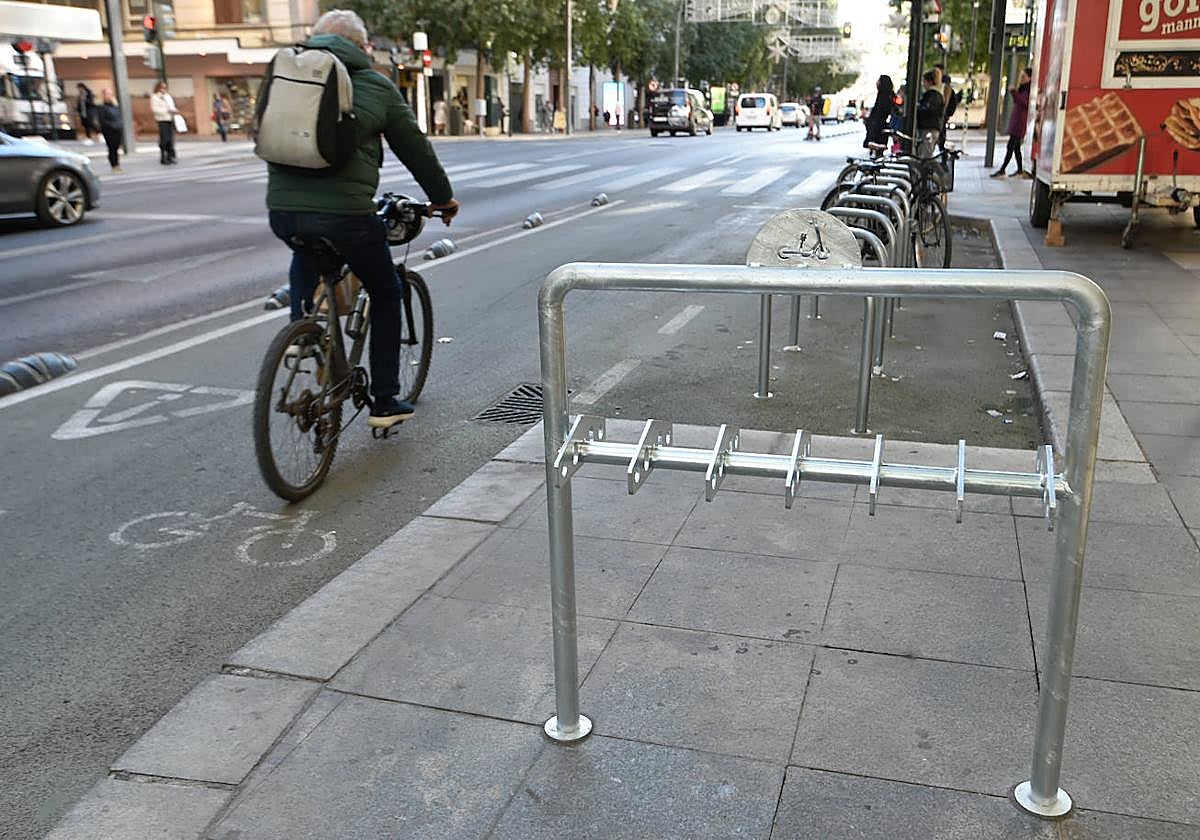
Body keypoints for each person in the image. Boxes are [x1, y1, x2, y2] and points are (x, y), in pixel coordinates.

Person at [266, 9, 459, 428]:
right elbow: (415, 149)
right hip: (347, 216)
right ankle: (385, 401)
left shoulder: (285, 75)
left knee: (305, 250)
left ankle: (301, 332)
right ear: (359, 46)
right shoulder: (373, 84)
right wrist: (442, 198)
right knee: (387, 292)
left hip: (282, 211)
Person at [992, 67, 1033, 178]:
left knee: (1011, 146)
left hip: (1020, 123)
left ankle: (1002, 170)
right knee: (1016, 148)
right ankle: (1019, 170)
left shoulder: (1028, 91)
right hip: (1017, 121)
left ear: (1029, 78)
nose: (1021, 79)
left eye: (1023, 76)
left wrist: (1014, 92)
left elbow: (1023, 102)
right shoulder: (1023, 89)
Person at [915, 70, 944, 158]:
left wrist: (917, 108)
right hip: (931, 127)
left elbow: (928, 110)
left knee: (925, 155)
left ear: (930, 82)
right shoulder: (936, 94)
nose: (923, 84)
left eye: (924, 81)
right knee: (925, 152)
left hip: (928, 128)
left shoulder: (932, 95)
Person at [863, 74, 895, 152]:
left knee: (876, 146)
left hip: (878, 126)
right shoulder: (890, 95)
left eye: (879, 81)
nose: (877, 83)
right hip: (883, 125)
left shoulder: (883, 96)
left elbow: (878, 112)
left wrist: (870, 121)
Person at [150, 82, 178, 165]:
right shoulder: (155, 97)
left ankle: (170, 156)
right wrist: (166, 110)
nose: (163, 89)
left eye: (165, 88)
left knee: (170, 138)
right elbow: (154, 109)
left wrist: (174, 110)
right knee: (164, 139)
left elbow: (172, 106)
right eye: (161, 88)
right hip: (162, 119)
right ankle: (163, 157)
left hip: (170, 119)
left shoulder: (168, 96)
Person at [96, 89, 123, 172]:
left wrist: (119, 125)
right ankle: (114, 165)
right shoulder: (102, 107)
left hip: (117, 129)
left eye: (111, 94)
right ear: (104, 95)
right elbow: (102, 120)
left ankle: (117, 164)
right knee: (111, 148)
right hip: (108, 130)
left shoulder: (115, 105)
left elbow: (119, 116)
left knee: (116, 147)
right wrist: (112, 125)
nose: (109, 96)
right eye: (107, 94)